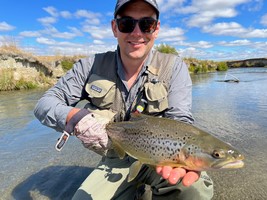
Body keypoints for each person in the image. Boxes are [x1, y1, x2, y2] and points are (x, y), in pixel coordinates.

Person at [34, 0, 214, 199]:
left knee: (192, 190)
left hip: (160, 159)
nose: (137, 33)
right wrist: (74, 117)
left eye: (146, 24)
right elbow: (44, 104)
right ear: (114, 28)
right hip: (114, 159)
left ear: (156, 29)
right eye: (127, 24)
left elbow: (180, 121)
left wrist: (187, 155)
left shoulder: (174, 67)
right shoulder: (89, 66)